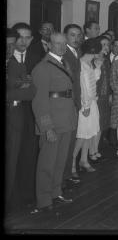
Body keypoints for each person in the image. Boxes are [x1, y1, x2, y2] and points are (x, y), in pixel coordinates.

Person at [31, 33, 77, 213]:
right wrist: (47, 127)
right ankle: (43, 200)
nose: (61, 47)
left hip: (66, 120)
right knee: (47, 163)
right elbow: (40, 101)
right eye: (57, 43)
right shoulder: (42, 67)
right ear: (49, 45)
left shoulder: (63, 62)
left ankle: (55, 192)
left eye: (64, 44)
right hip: (53, 123)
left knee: (60, 161)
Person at [5, 27, 36, 213]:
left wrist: (19, 89)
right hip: (13, 111)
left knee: (13, 159)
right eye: (7, 45)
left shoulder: (16, 64)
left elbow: (32, 90)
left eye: (10, 45)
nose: (9, 48)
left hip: (16, 116)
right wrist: (18, 90)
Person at [73, 38, 103, 176]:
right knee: (82, 135)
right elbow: (83, 88)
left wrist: (97, 67)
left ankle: (84, 160)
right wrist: (85, 106)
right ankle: (72, 162)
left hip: (92, 102)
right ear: (94, 51)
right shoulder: (82, 64)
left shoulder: (89, 64)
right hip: (85, 104)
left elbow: (93, 81)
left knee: (90, 134)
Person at [62, 24, 83, 187]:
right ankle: (62, 176)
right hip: (67, 103)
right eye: (72, 35)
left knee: (71, 141)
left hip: (76, 102)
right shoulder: (63, 53)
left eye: (78, 35)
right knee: (65, 142)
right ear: (65, 36)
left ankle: (67, 173)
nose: (76, 38)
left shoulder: (78, 52)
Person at [96, 35, 112, 154]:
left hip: (106, 96)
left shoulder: (107, 61)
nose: (106, 47)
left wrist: (111, 93)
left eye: (107, 44)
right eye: (103, 44)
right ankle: (92, 150)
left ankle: (97, 148)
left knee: (103, 123)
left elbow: (109, 78)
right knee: (96, 124)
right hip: (96, 97)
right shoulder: (93, 60)